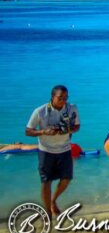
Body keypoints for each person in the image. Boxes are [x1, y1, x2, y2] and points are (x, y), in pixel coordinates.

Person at [25, 85, 80, 215]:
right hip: (46, 151)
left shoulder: (72, 108)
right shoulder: (40, 111)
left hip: (65, 149)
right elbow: (28, 131)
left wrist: (66, 130)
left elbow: (77, 126)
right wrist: (44, 131)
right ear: (52, 97)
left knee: (66, 179)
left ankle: (53, 200)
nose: (63, 101)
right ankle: (47, 212)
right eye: (60, 98)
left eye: (66, 98)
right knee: (46, 181)